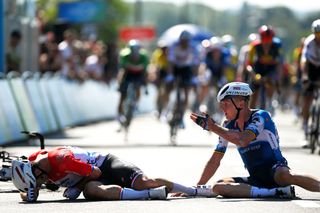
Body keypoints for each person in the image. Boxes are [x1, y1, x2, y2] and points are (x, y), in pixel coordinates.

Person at [190, 82, 320, 198]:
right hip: (256, 178)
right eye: (221, 104)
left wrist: (213, 128)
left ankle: (280, 189)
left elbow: (244, 140)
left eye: (226, 104)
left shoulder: (260, 116)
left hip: (276, 171)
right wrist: (197, 188)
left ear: (241, 103)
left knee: (285, 176)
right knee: (218, 186)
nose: (222, 109)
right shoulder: (227, 126)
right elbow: (215, 160)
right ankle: (274, 192)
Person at [11, 146, 213, 202]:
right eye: (37, 181)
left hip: (105, 164)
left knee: (144, 181)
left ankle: (193, 190)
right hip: (92, 178)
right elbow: (31, 187)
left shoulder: (61, 160)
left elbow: (96, 171)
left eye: (39, 179)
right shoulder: (34, 166)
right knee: (93, 191)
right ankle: (151, 195)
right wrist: (27, 195)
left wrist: (76, 186)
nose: (41, 182)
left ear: (38, 169)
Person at [246, 25, 283, 112]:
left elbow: (280, 64)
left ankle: (270, 101)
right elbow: (248, 65)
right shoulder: (254, 46)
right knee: (253, 93)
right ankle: (251, 112)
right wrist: (253, 75)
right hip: (258, 69)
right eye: (264, 41)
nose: (266, 44)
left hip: (271, 69)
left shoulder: (277, 46)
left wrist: (278, 78)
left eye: (269, 41)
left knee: (271, 80)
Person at [117, 39, 149, 124]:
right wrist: (120, 83)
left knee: (138, 87)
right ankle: (119, 115)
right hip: (128, 73)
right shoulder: (124, 54)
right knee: (122, 95)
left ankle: (135, 105)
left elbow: (145, 71)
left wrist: (145, 84)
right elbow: (122, 69)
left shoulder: (144, 55)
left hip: (138, 73)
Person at [300, 19, 320, 142]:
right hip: (311, 67)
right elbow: (304, 61)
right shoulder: (309, 42)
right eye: (317, 34)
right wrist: (305, 76)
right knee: (307, 97)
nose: (319, 37)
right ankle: (306, 125)